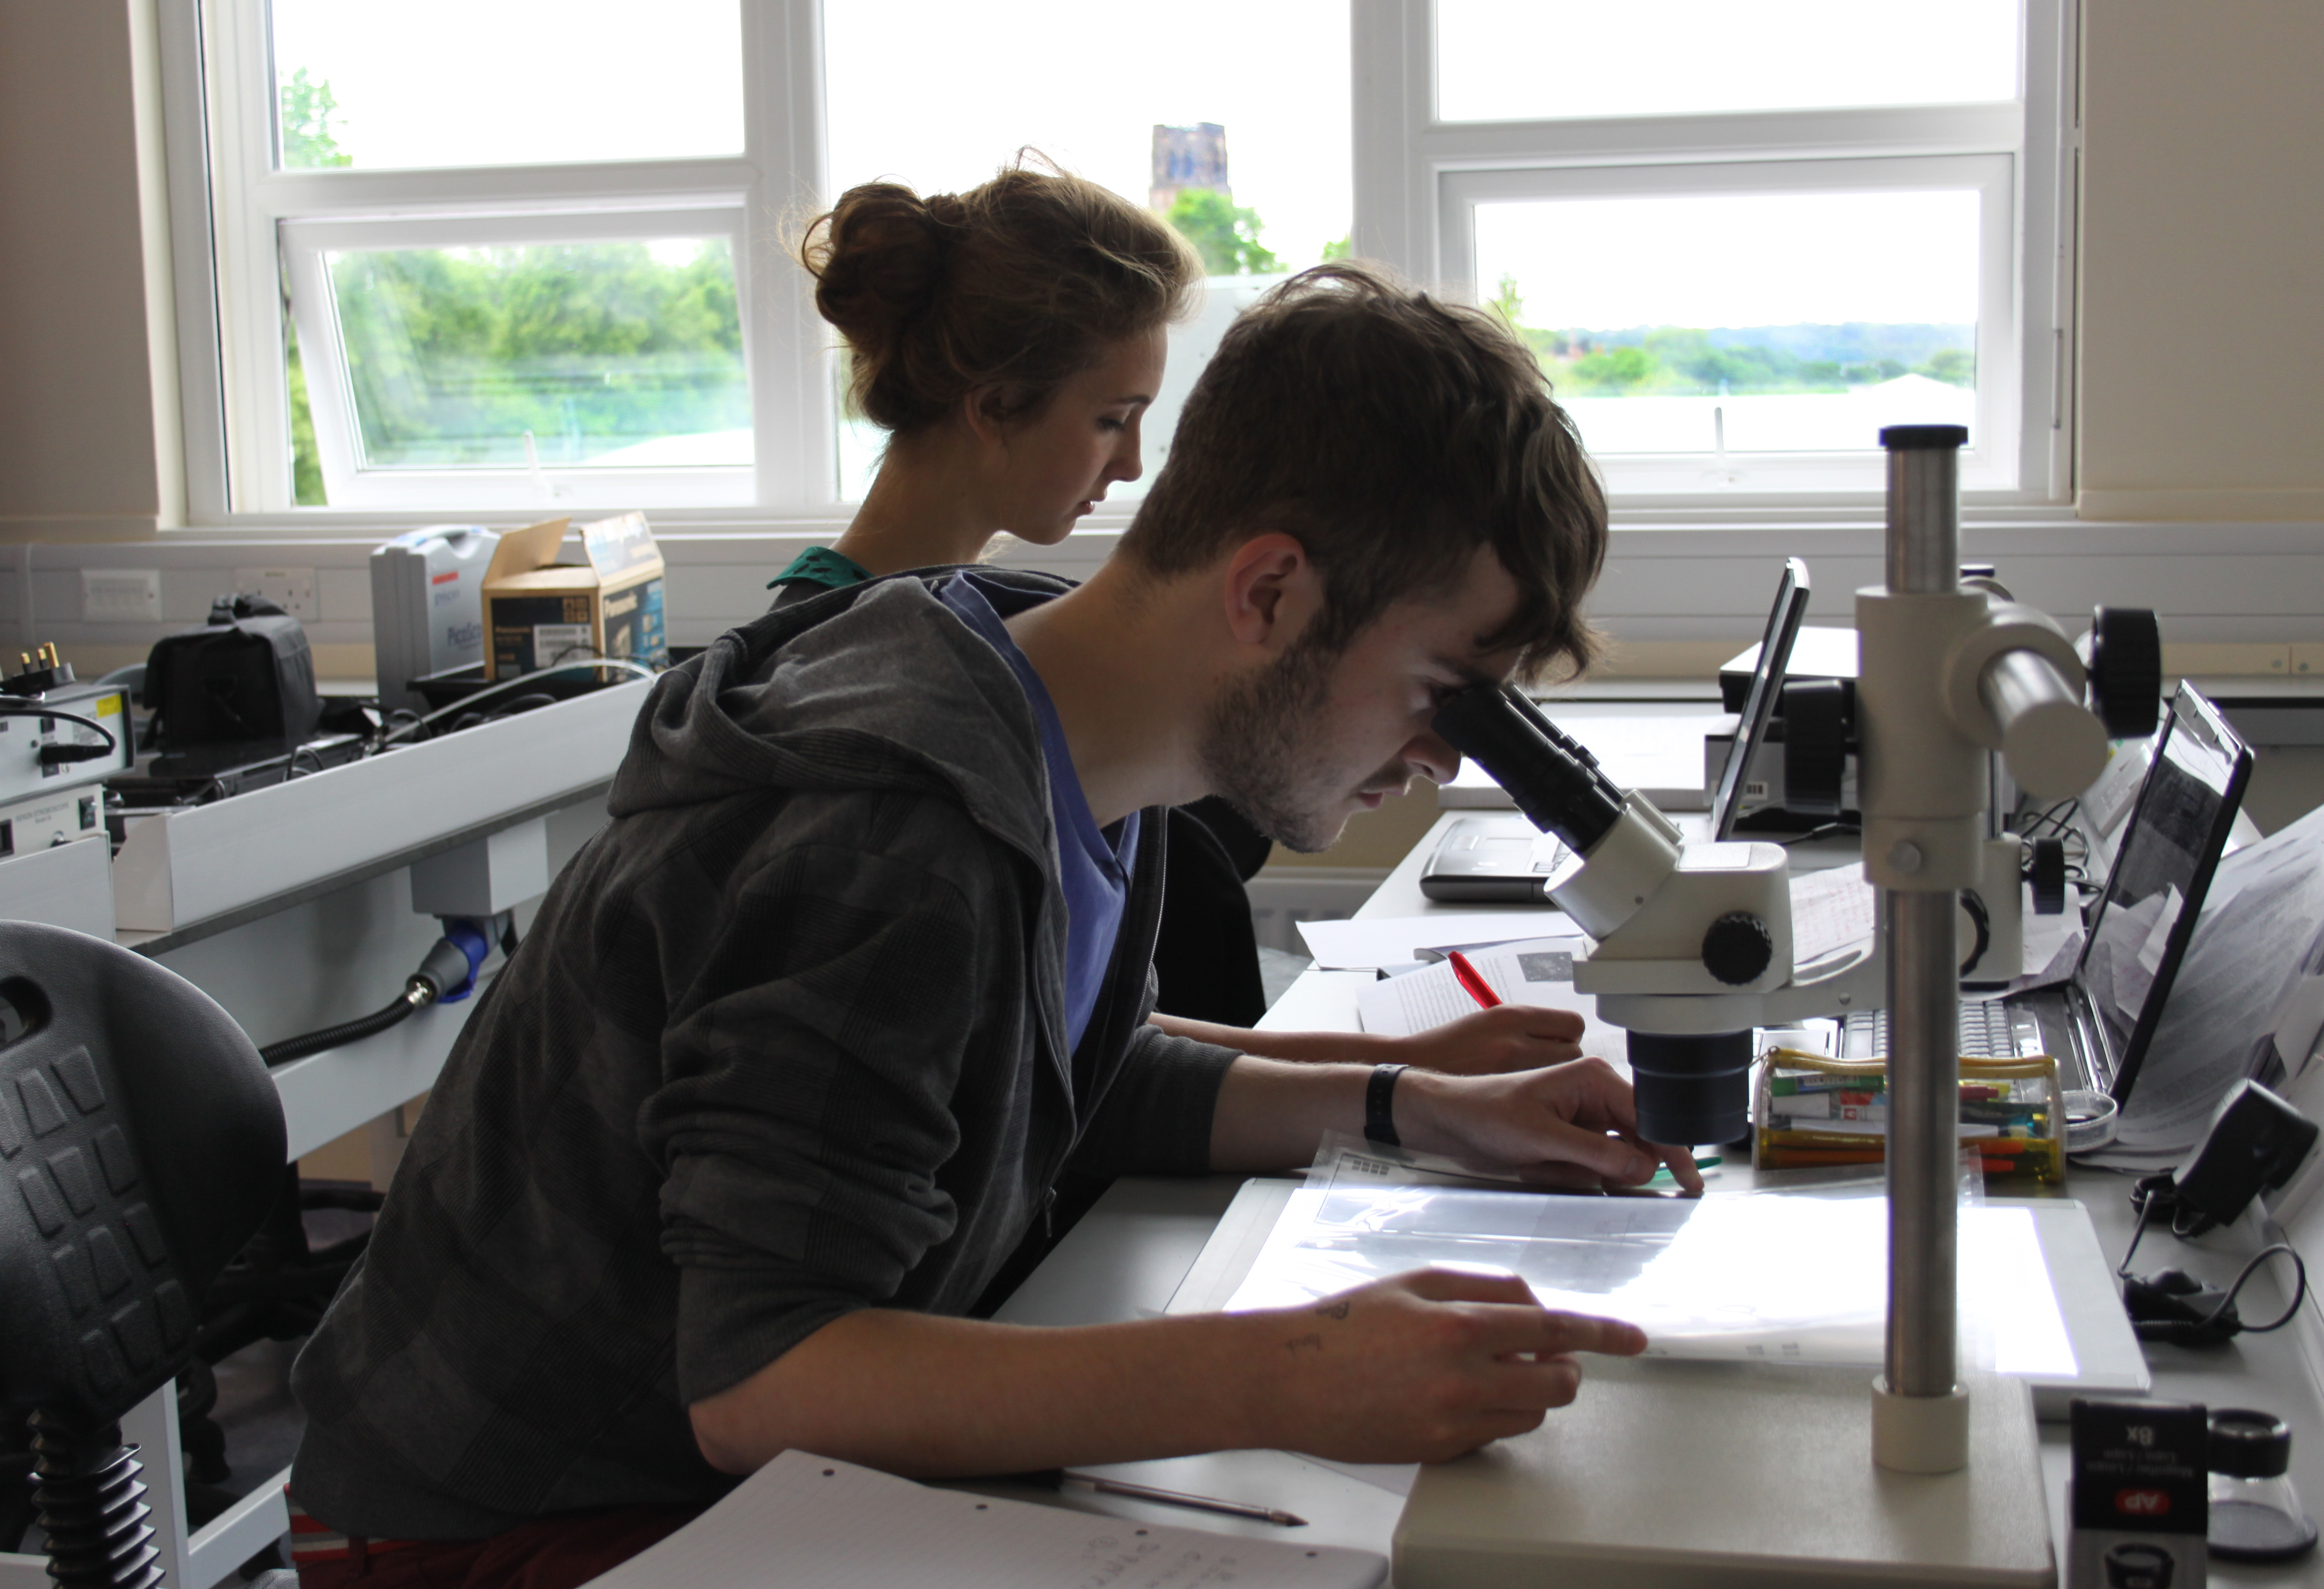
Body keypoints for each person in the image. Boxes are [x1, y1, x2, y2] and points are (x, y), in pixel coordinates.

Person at [286, 263, 1695, 1589]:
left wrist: (1415, 1104)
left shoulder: (1058, 717)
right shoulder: (898, 838)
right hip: (503, 1521)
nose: (1445, 758)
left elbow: (1061, 1064)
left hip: (665, 1465)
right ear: (1268, 592)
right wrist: (1291, 1371)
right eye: (1443, 689)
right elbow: (766, 1376)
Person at [777, 165, 1587, 1068]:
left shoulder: (1061, 710)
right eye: (1111, 419)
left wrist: (1401, 1083)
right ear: (995, 408)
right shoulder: (897, 814)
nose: (1131, 467)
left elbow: (1078, 1055)